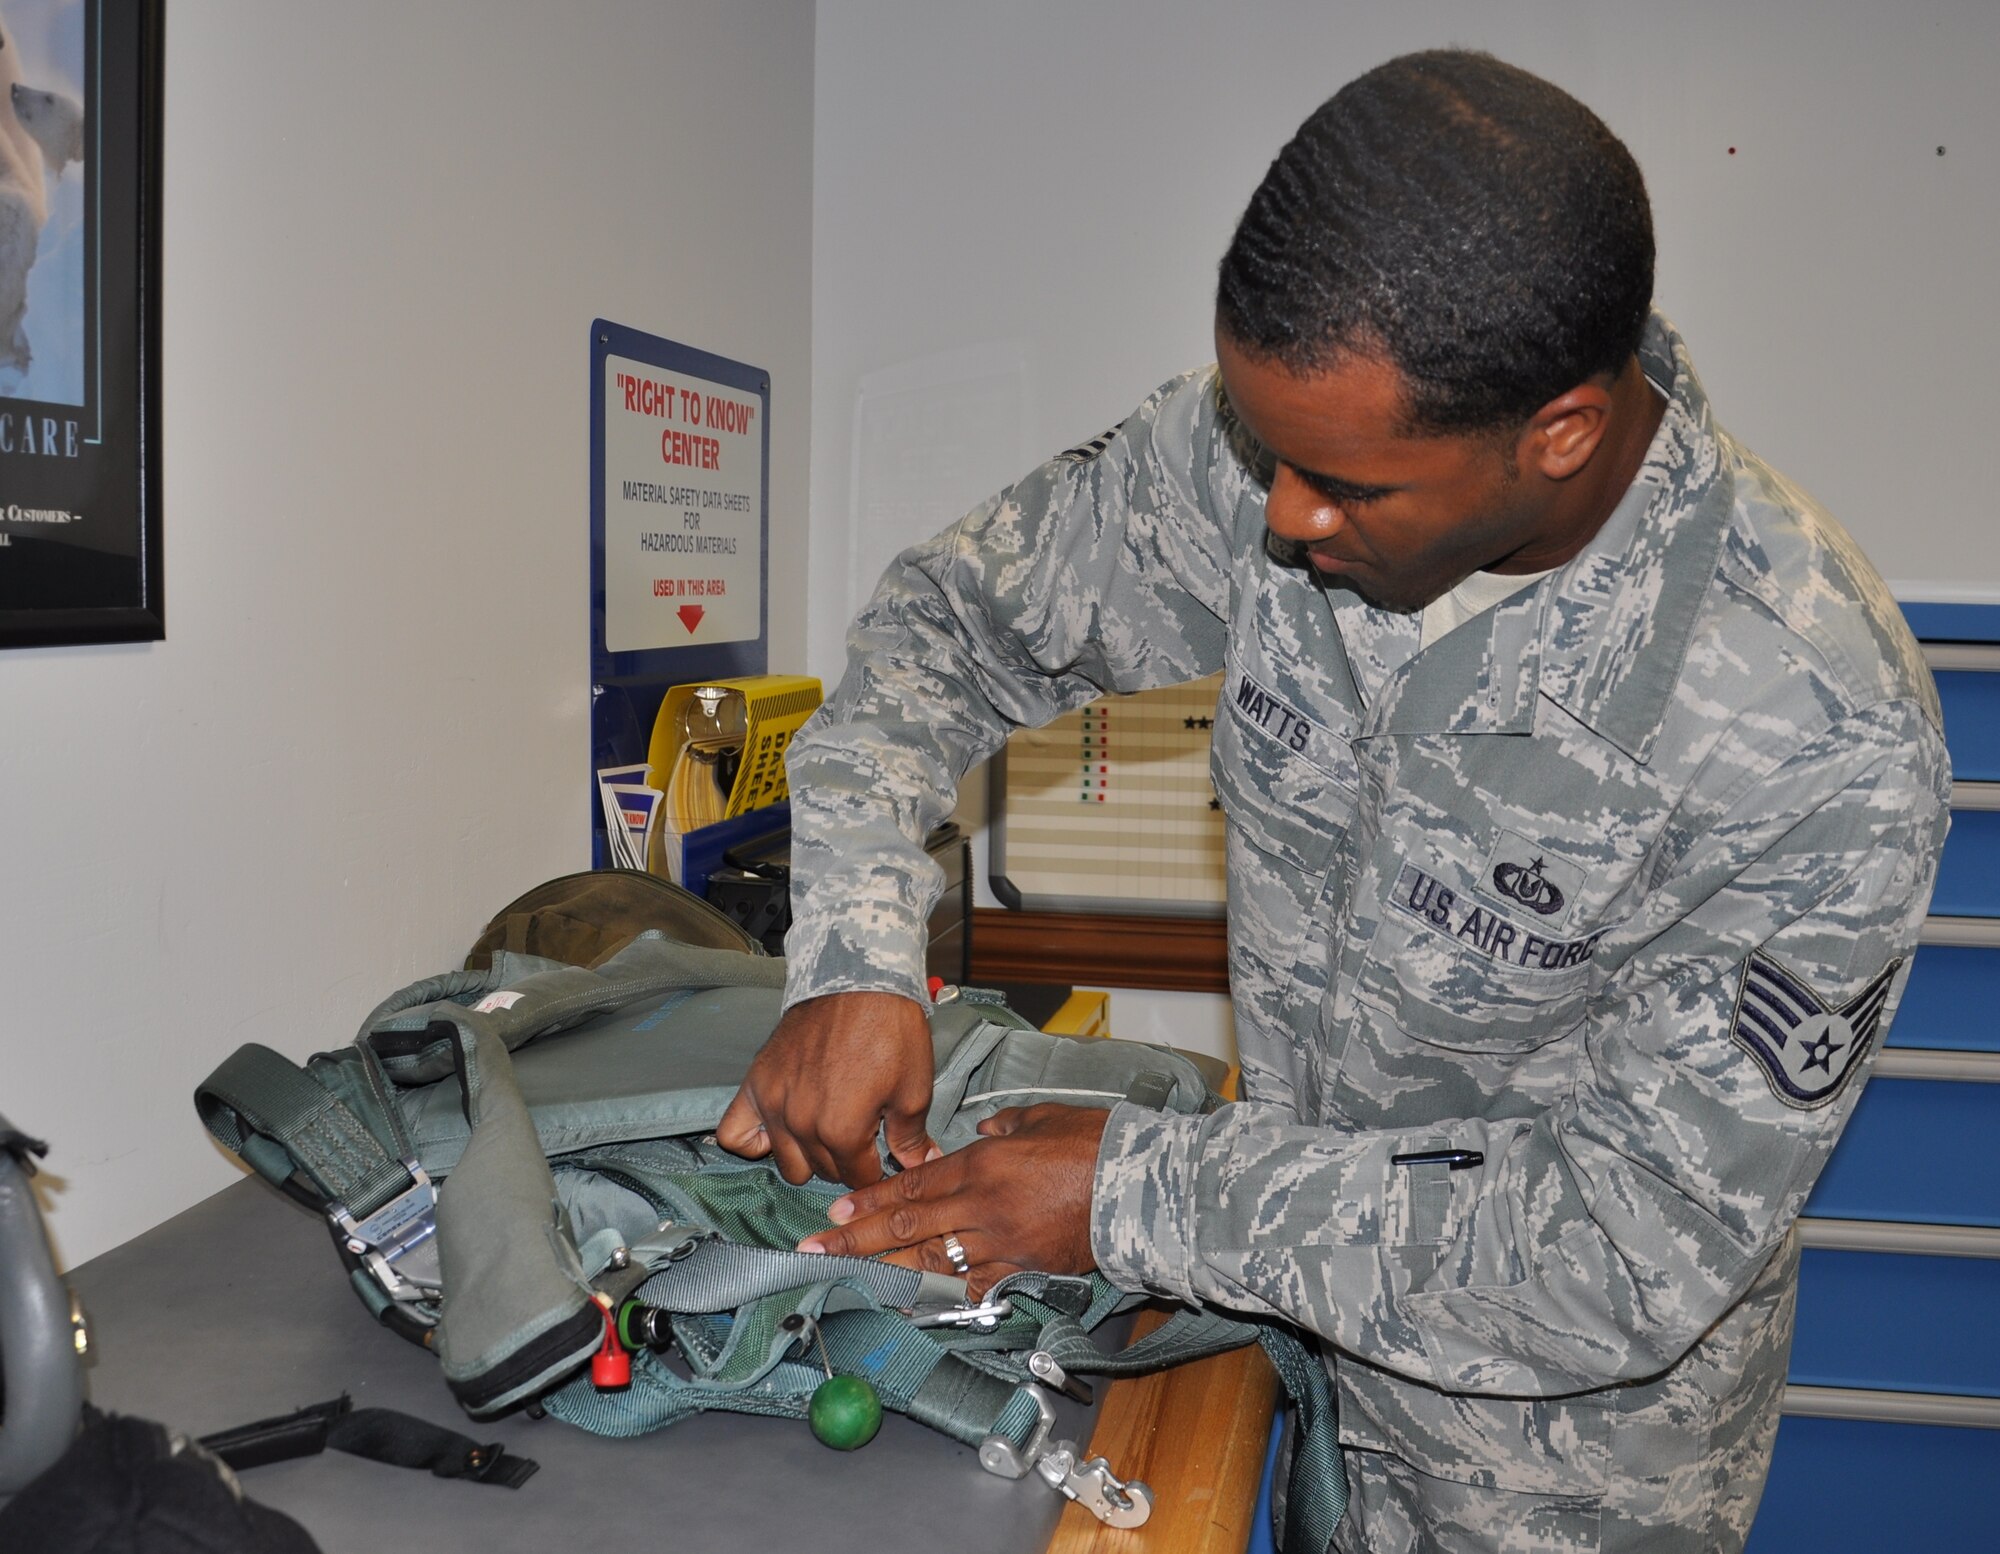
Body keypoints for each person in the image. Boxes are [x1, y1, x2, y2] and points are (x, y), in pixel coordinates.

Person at [716, 49, 1950, 1554]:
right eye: (1271, 456)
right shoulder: (1295, 445)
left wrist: (1131, 1190)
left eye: (1344, 487)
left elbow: (1618, 1252)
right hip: (1300, 1369)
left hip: (1554, 1482)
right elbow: (949, 626)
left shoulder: (1819, 724)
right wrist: (854, 946)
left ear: (1557, 431)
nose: (1283, 517)